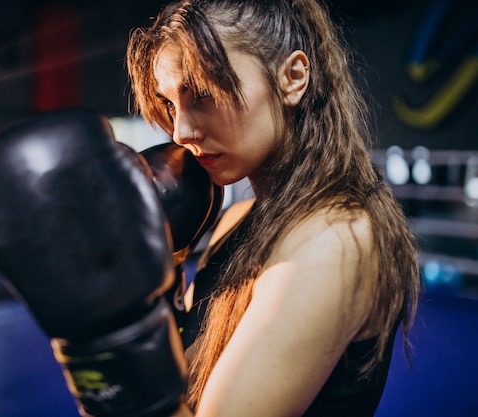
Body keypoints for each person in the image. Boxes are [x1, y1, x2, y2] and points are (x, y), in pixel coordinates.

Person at [125, 0, 421, 416]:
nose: (181, 131)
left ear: (293, 78)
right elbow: (181, 381)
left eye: (204, 94)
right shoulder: (236, 222)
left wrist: (99, 346)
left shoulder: (333, 240)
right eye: (172, 104)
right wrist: (160, 276)